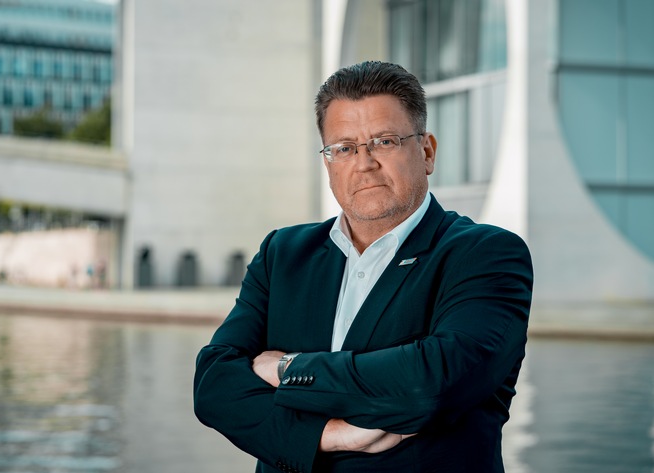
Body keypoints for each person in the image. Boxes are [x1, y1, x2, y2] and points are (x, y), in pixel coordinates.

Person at [194, 61, 533, 473]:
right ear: (328, 162)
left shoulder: (485, 254)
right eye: (344, 148)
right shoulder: (283, 253)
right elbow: (213, 385)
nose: (364, 163)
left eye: (384, 142)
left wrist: (286, 368)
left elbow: (433, 383)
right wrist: (327, 435)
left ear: (427, 152)